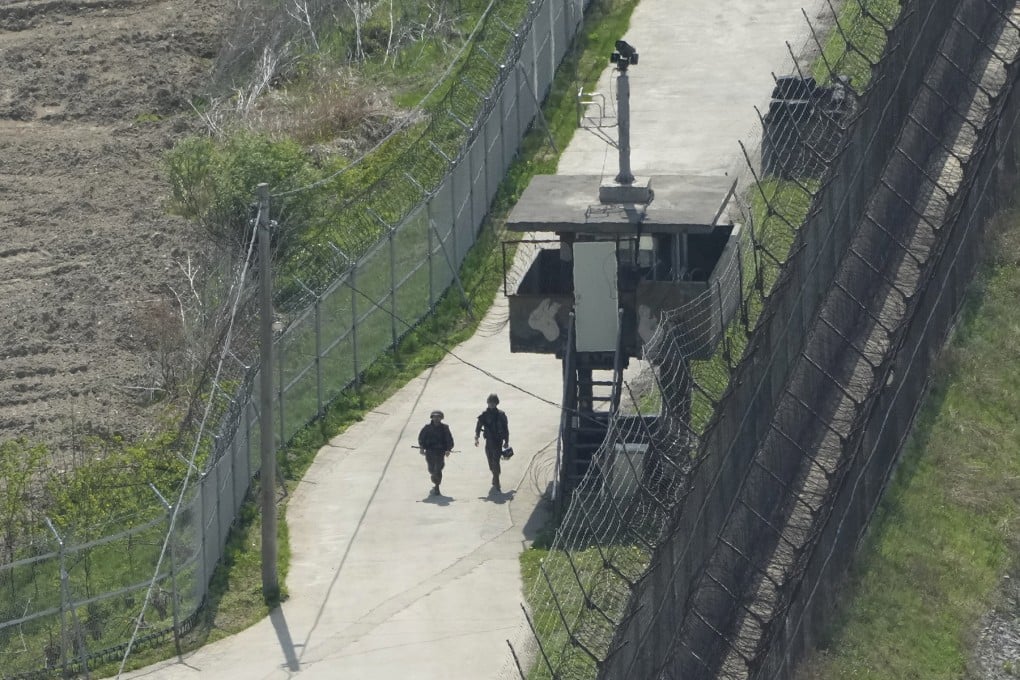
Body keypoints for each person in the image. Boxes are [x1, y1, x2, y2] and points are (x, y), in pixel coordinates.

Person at [474, 393, 509, 491]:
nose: (492, 404)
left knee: (496, 461)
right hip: (489, 441)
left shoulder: (501, 415)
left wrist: (506, 441)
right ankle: (495, 475)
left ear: (497, 403)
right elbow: (478, 427)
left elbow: (506, 429)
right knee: (490, 462)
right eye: (490, 402)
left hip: (498, 441)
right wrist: (477, 437)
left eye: (494, 402)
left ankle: (497, 480)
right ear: (487, 403)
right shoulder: (484, 415)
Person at [418, 410, 454, 496]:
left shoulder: (445, 428)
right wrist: (422, 447)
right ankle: (434, 477)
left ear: (441, 418)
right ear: (432, 418)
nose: (436, 418)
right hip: (430, 451)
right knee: (431, 469)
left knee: (438, 469)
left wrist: (448, 449)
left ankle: (437, 485)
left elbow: (449, 439)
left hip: (440, 452)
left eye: (438, 417)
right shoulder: (427, 428)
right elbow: (421, 438)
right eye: (434, 417)